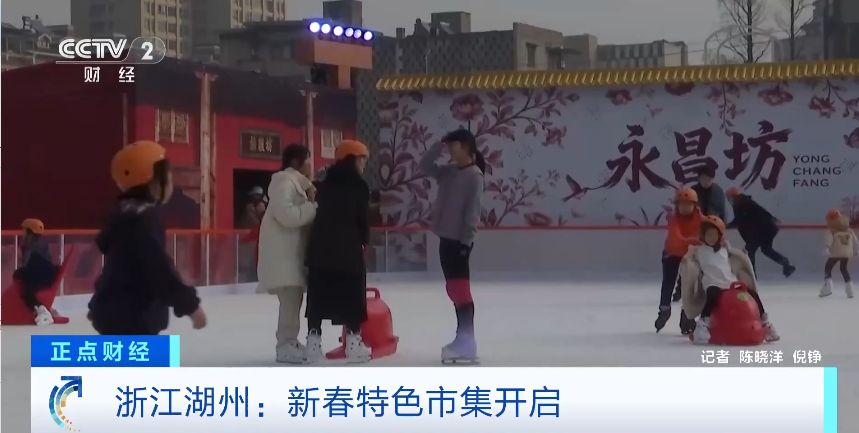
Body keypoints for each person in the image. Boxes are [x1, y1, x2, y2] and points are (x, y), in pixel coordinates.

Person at [88, 141, 207, 335]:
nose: (171, 182)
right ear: (153, 180)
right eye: (168, 175)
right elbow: (158, 269)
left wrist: (99, 301)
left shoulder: (124, 215)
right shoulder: (142, 221)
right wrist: (190, 305)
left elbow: (117, 269)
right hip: (133, 319)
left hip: (117, 315)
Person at [419, 129, 485, 363]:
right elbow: (425, 166)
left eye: (453, 145)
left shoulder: (474, 176)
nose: (449, 150)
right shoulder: (448, 172)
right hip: (445, 239)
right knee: (454, 290)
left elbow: (473, 211)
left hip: (459, 242)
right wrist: (438, 145)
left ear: (466, 146)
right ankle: (463, 338)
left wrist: (466, 243)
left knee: (460, 290)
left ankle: (467, 341)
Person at [304, 140, 372, 364]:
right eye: (362, 158)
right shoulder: (359, 186)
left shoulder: (323, 182)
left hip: (319, 249)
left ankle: (313, 343)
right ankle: (353, 343)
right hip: (347, 249)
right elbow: (362, 218)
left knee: (317, 296)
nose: (364, 163)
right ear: (353, 159)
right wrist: (365, 240)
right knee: (352, 295)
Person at [257, 144, 318, 363]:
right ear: (296, 161)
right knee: (290, 301)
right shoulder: (284, 181)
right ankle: (285, 344)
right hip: (284, 257)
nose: (311, 165)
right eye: (308, 159)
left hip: (290, 256)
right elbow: (287, 215)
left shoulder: (297, 184)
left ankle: (290, 341)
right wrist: (313, 207)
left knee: (294, 300)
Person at [689, 216, 780, 344]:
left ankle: (765, 323)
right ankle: (703, 325)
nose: (711, 238)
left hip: (730, 282)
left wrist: (741, 254)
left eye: (714, 235)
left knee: (752, 294)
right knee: (713, 295)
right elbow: (689, 260)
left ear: (720, 236)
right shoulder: (699, 250)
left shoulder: (725, 249)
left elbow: (737, 256)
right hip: (712, 282)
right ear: (703, 236)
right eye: (708, 235)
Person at [655, 187, 702, 334]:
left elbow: (714, 232)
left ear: (694, 205)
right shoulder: (673, 219)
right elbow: (676, 239)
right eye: (681, 204)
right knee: (668, 282)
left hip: (690, 256)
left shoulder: (702, 219)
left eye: (688, 204)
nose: (685, 207)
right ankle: (664, 309)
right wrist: (696, 241)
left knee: (690, 285)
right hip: (672, 254)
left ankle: (687, 315)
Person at [726, 187, 795, 277]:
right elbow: (759, 212)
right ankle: (785, 263)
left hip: (763, 230)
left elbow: (739, 221)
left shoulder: (740, 204)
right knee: (766, 250)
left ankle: (751, 275)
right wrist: (772, 219)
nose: (728, 200)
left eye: (729, 198)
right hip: (768, 228)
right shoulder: (744, 201)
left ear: (733, 196)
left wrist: (724, 226)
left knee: (749, 251)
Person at [13, 218, 59, 326]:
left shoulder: (30, 245)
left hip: (40, 277)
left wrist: (20, 273)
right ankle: (43, 308)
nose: (22, 232)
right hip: (44, 275)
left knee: (25, 291)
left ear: (30, 231)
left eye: (24, 230)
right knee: (21, 278)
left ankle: (42, 311)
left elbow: (27, 265)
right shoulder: (41, 242)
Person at [820, 209, 857, 298]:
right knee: (843, 269)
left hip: (836, 252)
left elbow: (829, 239)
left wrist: (827, 248)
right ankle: (850, 290)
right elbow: (855, 241)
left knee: (828, 268)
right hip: (847, 252)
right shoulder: (849, 230)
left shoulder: (832, 230)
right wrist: (856, 250)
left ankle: (828, 287)